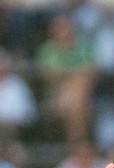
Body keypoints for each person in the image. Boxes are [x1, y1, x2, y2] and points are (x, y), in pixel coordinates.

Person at [35, 15, 94, 143]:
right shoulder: (47, 50)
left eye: (66, 28)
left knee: (76, 95)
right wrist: (73, 74)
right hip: (55, 95)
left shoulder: (81, 46)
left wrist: (66, 74)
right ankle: (78, 141)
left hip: (79, 94)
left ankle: (75, 141)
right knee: (76, 95)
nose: (63, 32)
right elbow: (49, 75)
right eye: (59, 29)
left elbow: (89, 71)